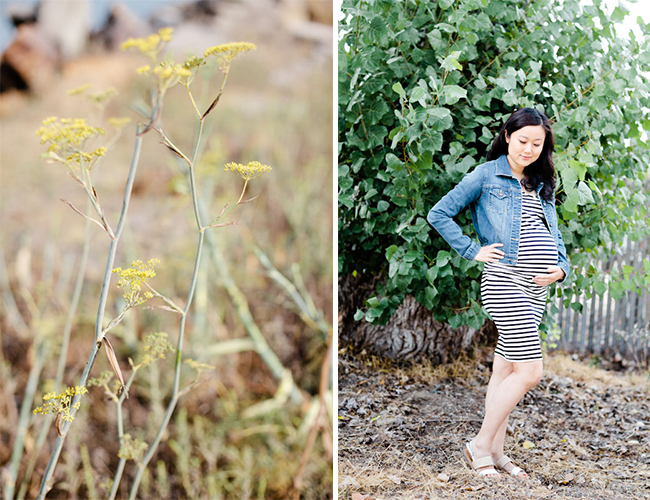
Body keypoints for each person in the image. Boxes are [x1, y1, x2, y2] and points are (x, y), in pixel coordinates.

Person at [427, 107, 571, 478]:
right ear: (507, 135)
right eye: (523, 141)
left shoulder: (540, 182)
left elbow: (553, 233)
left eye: (537, 144)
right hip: (505, 281)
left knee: (504, 372)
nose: (529, 149)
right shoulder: (486, 175)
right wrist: (472, 250)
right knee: (531, 372)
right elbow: (439, 213)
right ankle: (478, 446)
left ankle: (496, 452)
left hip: (536, 288)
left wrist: (560, 267)